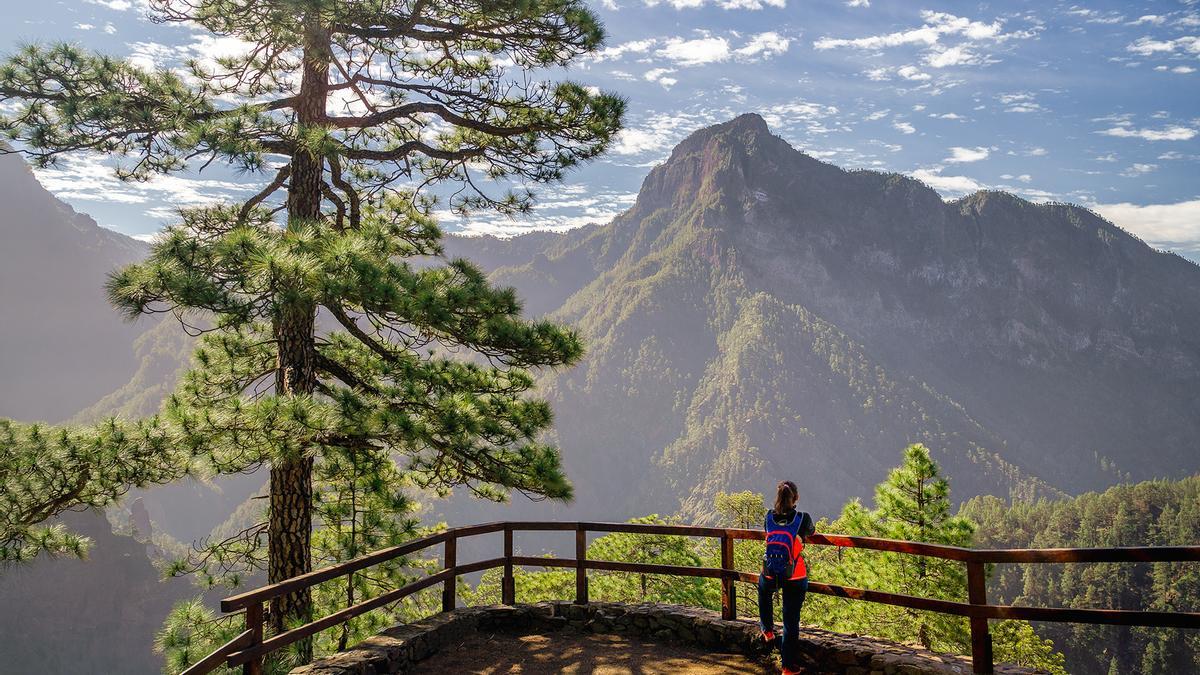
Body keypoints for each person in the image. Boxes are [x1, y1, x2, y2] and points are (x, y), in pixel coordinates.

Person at [758, 480, 815, 675]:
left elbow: (768, 534)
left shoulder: (768, 518)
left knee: (763, 589)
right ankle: (788, 667)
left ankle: (767, 629)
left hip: (771, 571)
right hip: (795, 575)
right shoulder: (802, 519)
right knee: (790, 620)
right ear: (796, 498)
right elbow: (811, 532)